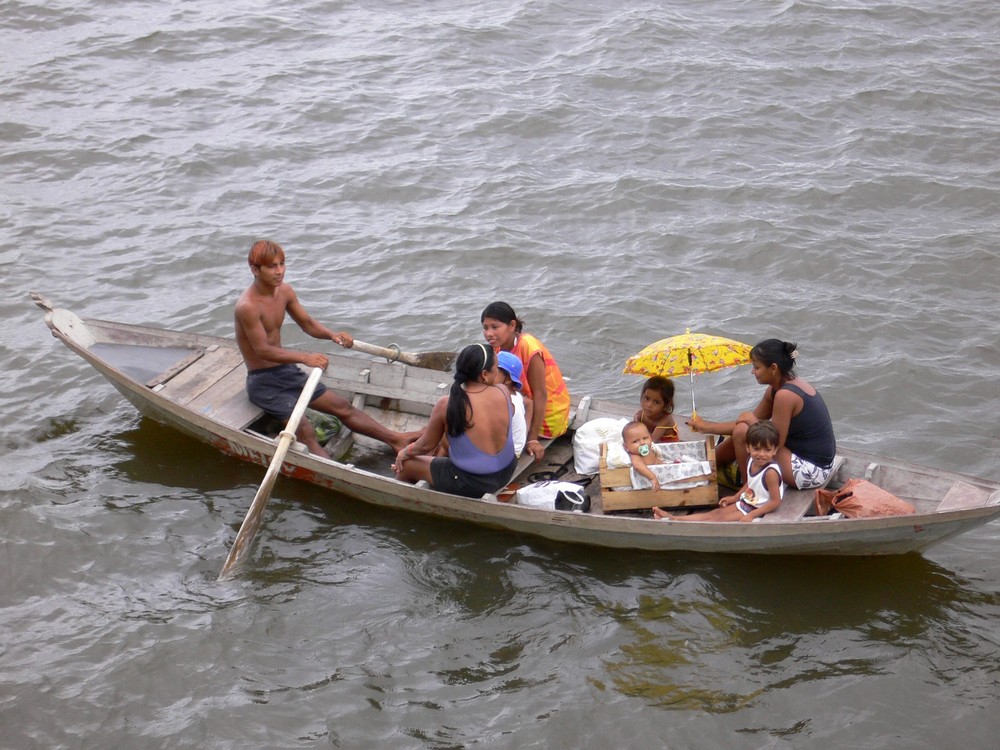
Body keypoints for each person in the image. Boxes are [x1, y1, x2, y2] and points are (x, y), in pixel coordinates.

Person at [235, 239, 419, 458]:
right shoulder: (247, 306)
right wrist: (305, 358)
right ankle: (333, 471)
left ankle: (395, 439)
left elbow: (308, 325)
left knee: (343, 406)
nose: (280, 271)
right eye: (273, 266)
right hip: (263, 382)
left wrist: (333, 335)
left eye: (282, 264)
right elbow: (263, 350)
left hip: (285, 371)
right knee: (305, 430)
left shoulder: (284, 292)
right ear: (255, 270)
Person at [686, 339, 836, 490]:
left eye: (756, 367)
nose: (753, 371)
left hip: (812, 470)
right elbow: (743, 424)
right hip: (794, 455)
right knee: (742, 430)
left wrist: (753, 422)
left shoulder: (786, 395)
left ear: (773, 368)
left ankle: (750, 491)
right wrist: (705, 426)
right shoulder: (777, 388)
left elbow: (774, 444)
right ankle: (705, 465)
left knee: (743, 431)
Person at [393, 343, 517, 498]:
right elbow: (509, 414)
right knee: (451, 439)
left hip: (472, 483)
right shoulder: (503, 391)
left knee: (405, 465)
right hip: (507, 471)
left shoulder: (446, 404)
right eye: (496, 367)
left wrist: (403, 453)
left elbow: (425, 446)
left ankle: (403, 500)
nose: (497, 372)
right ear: (484, 374)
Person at [480, 301, 570, 461]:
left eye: (495, 327)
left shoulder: (528, 347)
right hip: (525, 403)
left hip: (548, 415)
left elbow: (541, 394)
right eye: (485, 328)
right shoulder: (498, 347)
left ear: (512, 325)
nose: (489, 333)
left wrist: (533, 439)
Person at [654, 420, 784, 522]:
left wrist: (751, 516)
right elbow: (750, 484)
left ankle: (675, 522)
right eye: (757, 449)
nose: (761, 454)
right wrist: (735, 498)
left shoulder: (770, 473)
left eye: (767, 450)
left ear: (775, 450)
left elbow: (775, 502)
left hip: (757, 509)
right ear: (748, 448)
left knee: (718, 519)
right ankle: (674, 518)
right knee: (715, 513)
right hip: (748, 503)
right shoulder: (752, 461)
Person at [496, 350, 533, 458]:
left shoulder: (503, 400)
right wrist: (524, 431)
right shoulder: (516, 395)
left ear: (507, 379)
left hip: (507, 455)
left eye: (493, 370)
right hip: (516, 448)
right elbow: (530, 403)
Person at [634, 376, 679, 443]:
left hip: (668, 445)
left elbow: (651, 442)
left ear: (665, 405)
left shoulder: (665, 419)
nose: (649, 405)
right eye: (646, 398)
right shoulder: (640, 415)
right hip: (650, 439)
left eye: (656, 402)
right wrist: (635, 423)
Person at [622, 420, 663, 491]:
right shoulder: (635, 456)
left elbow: (654, 460)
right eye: (635, 441)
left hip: (659, 473)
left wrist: (664, 465)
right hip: (647, 481)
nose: (642, 443)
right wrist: (652, 477)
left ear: (650, 437)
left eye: (645, 438)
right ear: (626, 447)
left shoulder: (648, 450)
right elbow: (638, 467)